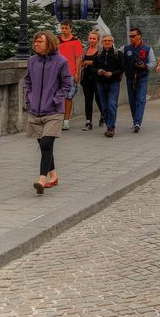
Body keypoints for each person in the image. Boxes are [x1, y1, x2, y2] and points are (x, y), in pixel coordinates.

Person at [24, 31, 73, 195]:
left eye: (40, 41)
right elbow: (28, 81)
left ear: (49, 43)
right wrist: (29, 97)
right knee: (44, 146)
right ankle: (54, 176)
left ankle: (41, 180)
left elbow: (67, 84)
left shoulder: (61, 61)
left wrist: (56, 99)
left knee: (46, 144)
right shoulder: (32, 61)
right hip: (35, 110)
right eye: (35, 41)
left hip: (53, 110)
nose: (36, 44)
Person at [94, 35, 124, 137]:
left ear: (113, 42)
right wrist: (98, 71)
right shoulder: (97, 54)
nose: (107, 42)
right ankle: (108, 126)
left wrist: (113, 73)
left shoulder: (118, 54)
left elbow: (122, 68)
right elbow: (92, 68)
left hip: (113, 82)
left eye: (109, 41)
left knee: (112, 104)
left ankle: (111, 127)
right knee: (104, 106)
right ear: (102, 42)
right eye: (105, 41)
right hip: (101, 83)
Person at [123, 27, 151, 133]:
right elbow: (117, 54)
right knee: (132, 101)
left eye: (133, 36)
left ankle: (137, 123)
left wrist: (144, 66)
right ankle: (135, 121)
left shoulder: (147, 48)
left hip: (142, 77)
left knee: (140, 99)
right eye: (130, 36)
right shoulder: (126, 48)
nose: (131, 38)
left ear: (139, 36)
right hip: (130, 78)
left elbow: (153, 63)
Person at [57, 20, 84, 130]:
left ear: (71, 28)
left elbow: (78, 58)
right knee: (58, 96)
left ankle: (66, 120)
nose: (64, 30)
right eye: (62, 28)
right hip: (57, 73)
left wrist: (77, 73)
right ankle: (58, 119)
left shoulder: (76, 41)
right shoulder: (57, 41)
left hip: (71, 73)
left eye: (66, 28)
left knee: (68, 97)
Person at [79, 31, 102, 130]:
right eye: (90, 38)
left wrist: (91, 62)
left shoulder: (100, 50)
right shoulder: (85, 50)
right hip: (86, 78)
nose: (91, 40)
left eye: (94, 39)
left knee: (98, 98)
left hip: (97, 78)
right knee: (88, 99)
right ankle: (88, 121)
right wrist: (82, 63)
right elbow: (80, 61)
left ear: (98, 40)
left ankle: (103, 114)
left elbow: (102, 63)